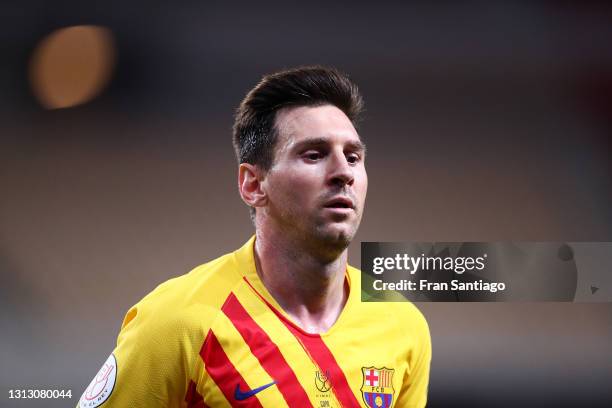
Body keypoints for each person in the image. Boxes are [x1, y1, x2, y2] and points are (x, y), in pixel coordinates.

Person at [78, 66, 431, 408]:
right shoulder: (177, 324)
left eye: (353, 157)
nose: (343, 173)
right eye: (314, 154)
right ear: (253, 184)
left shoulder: (402, 324)